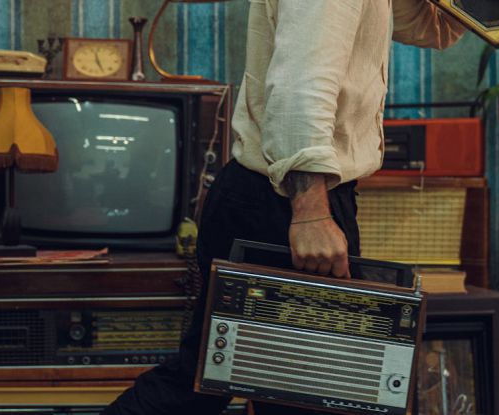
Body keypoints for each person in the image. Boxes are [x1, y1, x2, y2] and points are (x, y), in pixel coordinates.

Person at [102, 1, 466, 414]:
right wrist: (311, 212)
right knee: (297, 395)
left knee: (205, 385)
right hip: (284, 197)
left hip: (281, 194)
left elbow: (431, 28)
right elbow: (301, 85)